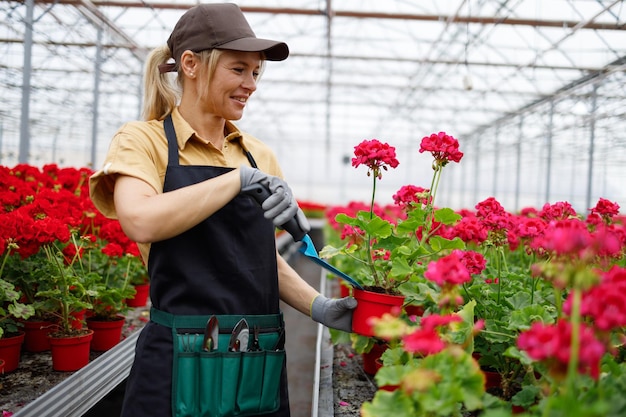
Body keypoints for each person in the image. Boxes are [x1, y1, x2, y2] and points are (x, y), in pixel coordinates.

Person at [89, 3, 357, 417]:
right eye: (238, 69)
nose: (251, 83)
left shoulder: (257, 155)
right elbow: (140, 220)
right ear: (192, 65)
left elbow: (262, 257)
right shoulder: (144, 141)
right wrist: (234, 181)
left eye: (256, 72)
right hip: (178, 360)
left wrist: (318, 306)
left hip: (255, 356)